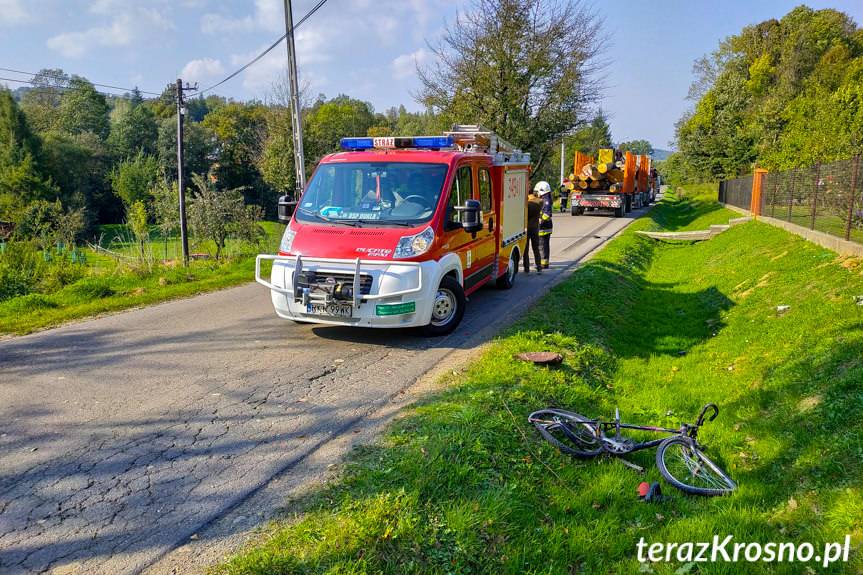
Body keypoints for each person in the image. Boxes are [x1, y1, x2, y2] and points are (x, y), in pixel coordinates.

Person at [524, 187, 543, 274]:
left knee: (526, 249)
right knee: (536, 248)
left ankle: (526, 268)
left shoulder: (526, 203)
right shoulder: (539, 202)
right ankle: (539, 267)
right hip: (535, 228)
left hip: (526, 228)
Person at [535, 181, 553, 269]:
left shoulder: (546, 201)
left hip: (544, 227)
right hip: (546, 226)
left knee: (542, 246)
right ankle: (544, 263)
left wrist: (540, 222)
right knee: (544, 246)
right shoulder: (546, 198)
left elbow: (547, 214)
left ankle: (543, 264)